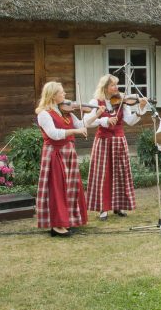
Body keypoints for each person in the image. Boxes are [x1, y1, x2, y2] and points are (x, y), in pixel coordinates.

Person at [35, 81, 101, 237]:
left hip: (68, 153)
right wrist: (75, 131)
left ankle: (68, 219)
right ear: (53, 95)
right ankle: (57, 224)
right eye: (62, 92)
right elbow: (54, 134)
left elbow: (81, 123)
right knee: (57, 188)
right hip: (54, 153)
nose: (65, 95)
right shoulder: (44, 114)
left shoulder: (65, 112)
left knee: (70, 187)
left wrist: (96, 114)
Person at [85, 74, 148, 221]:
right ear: (105, 87)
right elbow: (88, 122)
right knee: (103, 174)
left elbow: (131, 121)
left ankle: (118, 205)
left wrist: (141, 108)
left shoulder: (121, 101)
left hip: (119, 141)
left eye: (116, 85)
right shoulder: (95, 101)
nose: (116, 88)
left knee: (120, 173)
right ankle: (103, 208)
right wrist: (105, 120)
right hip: (103, 141)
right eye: (113, 85)